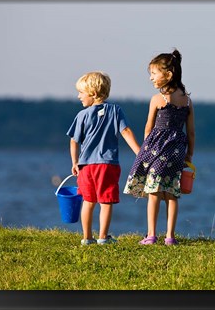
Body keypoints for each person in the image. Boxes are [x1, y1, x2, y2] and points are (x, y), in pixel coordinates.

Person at [124, 49, 195, 245]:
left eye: (154, 73)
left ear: (168, 75)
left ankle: (151, 235)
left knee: (154, 192)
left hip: (157, 150)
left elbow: (148, 128)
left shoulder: (158, 99)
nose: (151, 78)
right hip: (177, 150)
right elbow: (191, 132)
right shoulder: (188, 101)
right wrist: (189, 153)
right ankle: (170, 237)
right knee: (172, 193)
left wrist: (145, 153)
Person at [67, 71, 140, 246]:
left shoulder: (82, 115)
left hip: (86, 166)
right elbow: (126, 132)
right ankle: (103, 237)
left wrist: (75, 162)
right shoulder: (115, 110)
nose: (79, 96)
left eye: (81, 93)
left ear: (92, 93)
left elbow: (74, 141)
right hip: (107, 165)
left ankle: (87, 238)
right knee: (106, 201)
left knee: (88, 200)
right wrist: (139, 152)